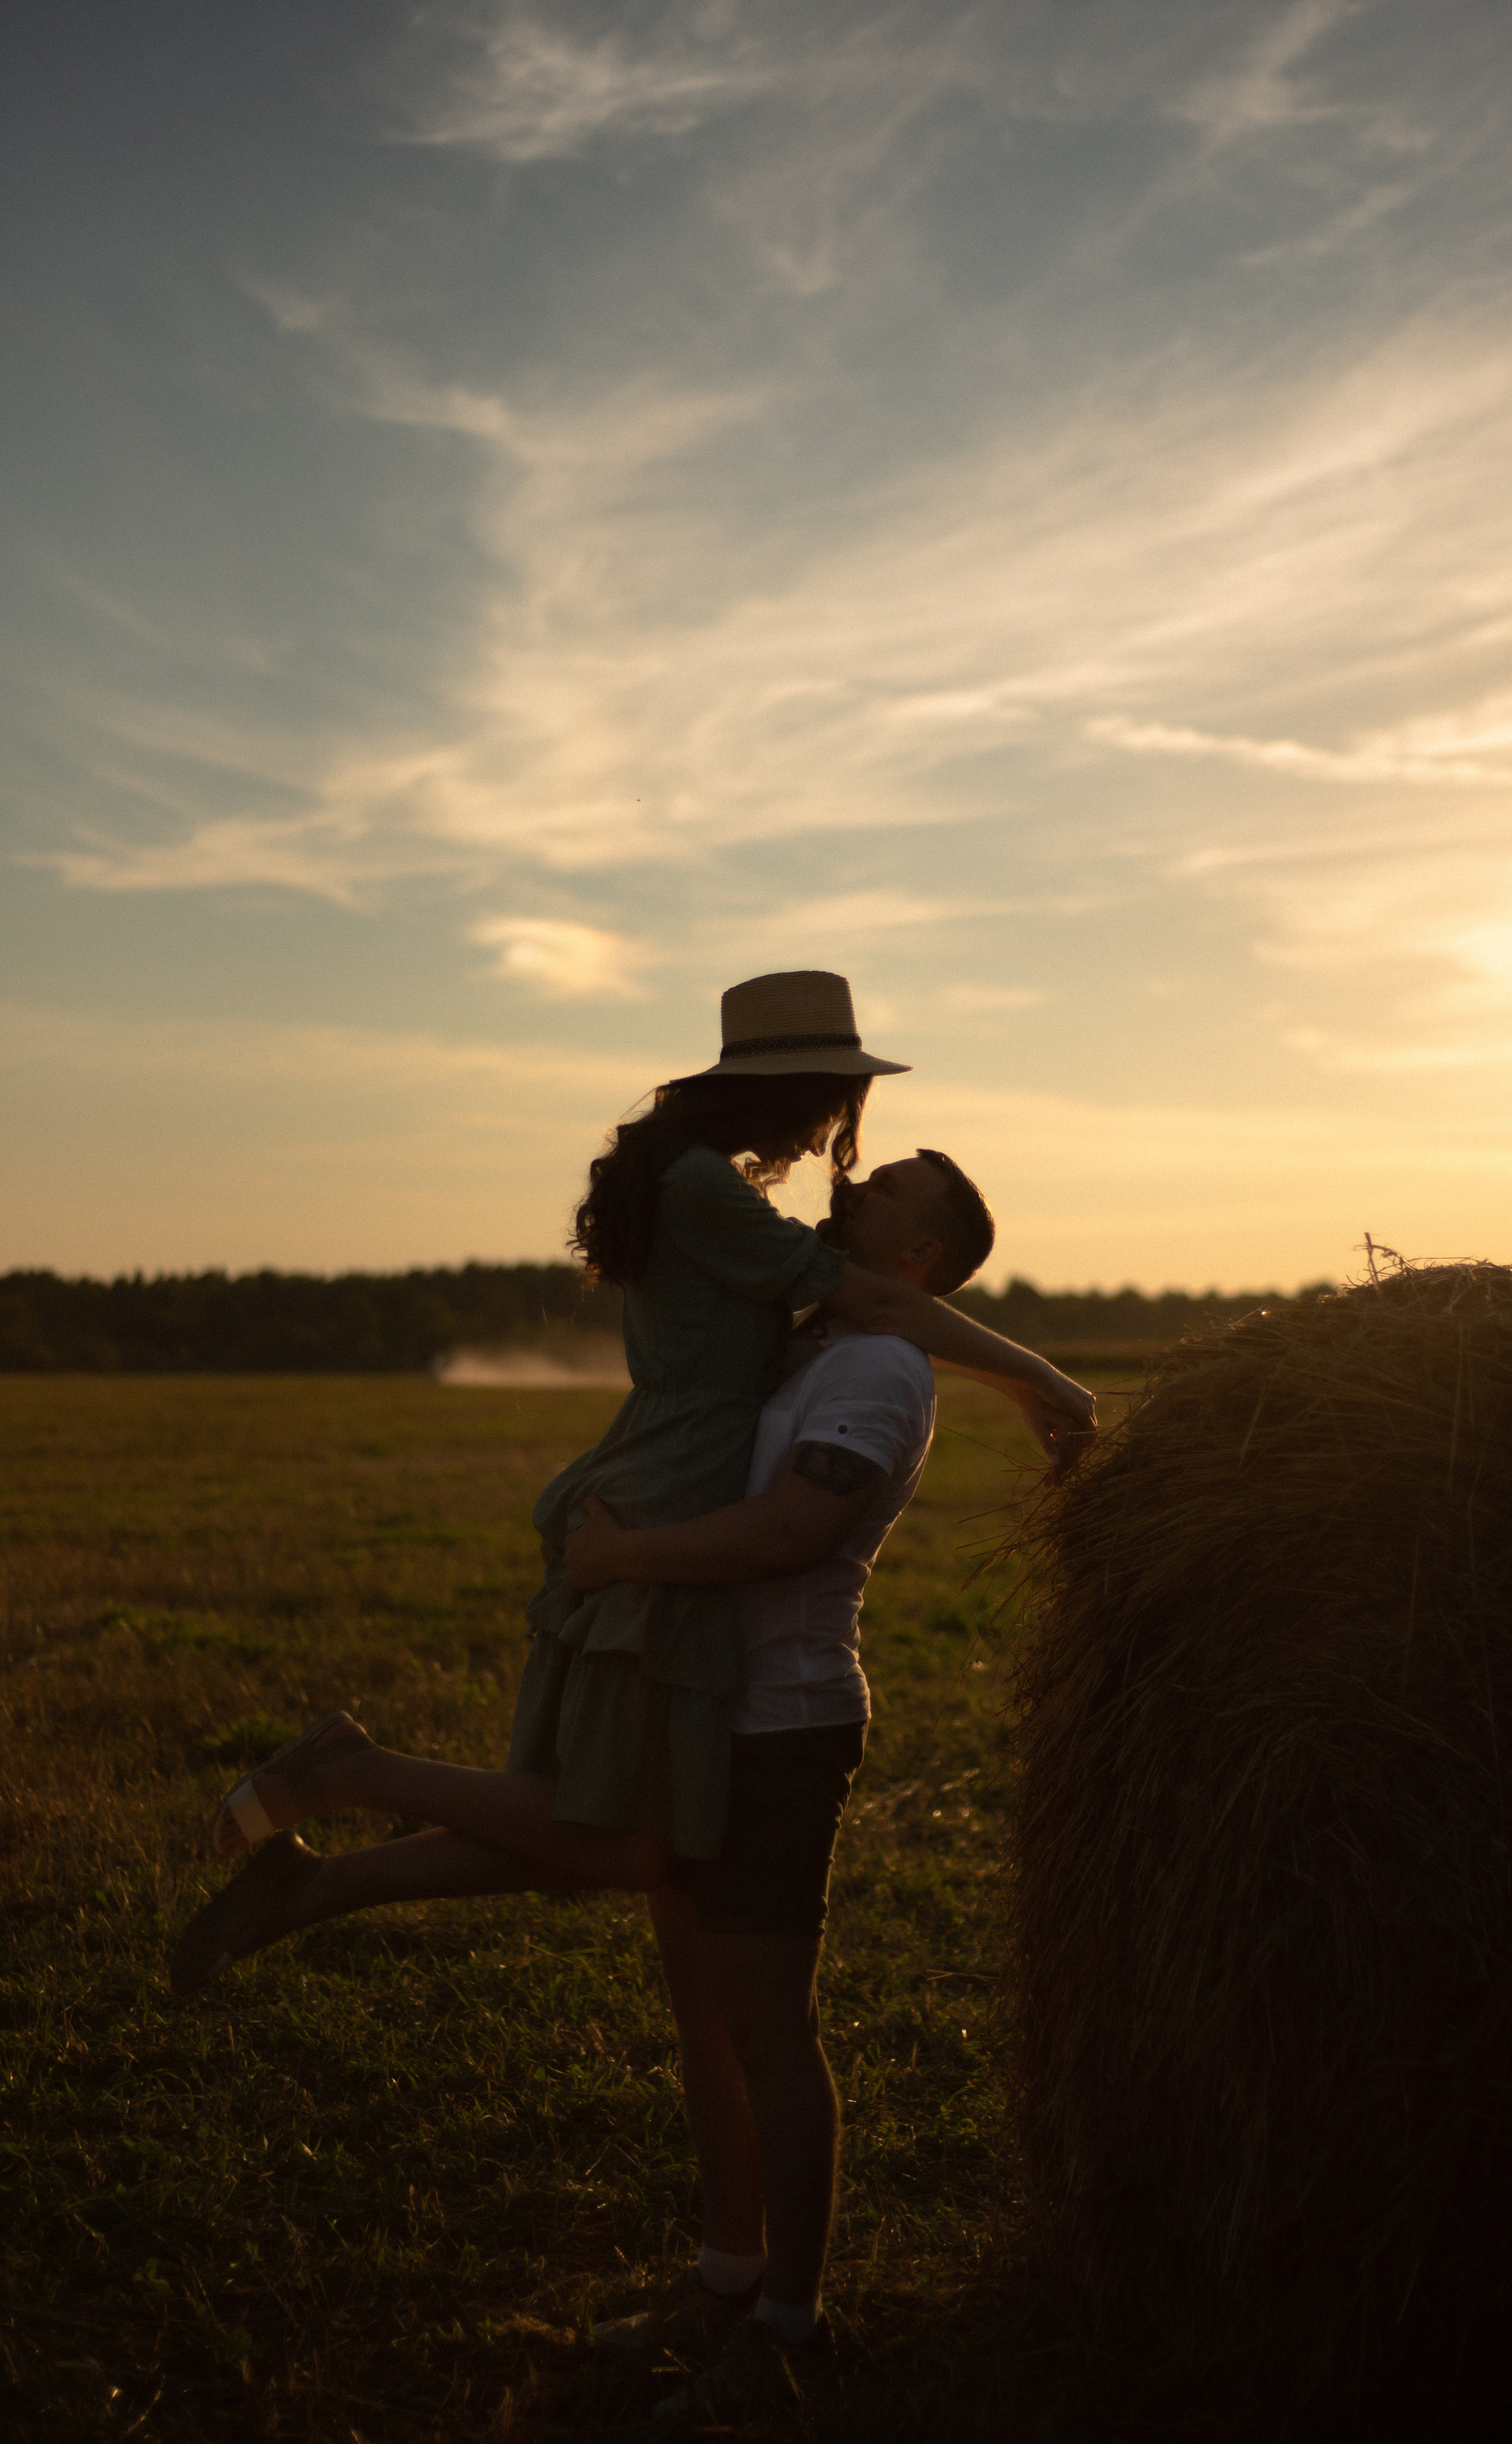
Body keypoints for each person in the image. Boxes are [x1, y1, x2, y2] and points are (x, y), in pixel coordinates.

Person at [170, 971, 1095, 1990]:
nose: (845, 1139)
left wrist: (1020, 1386)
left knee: (618, 1833)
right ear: (804, 1091)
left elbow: (879, 1312)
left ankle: (312, 1879)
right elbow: (878, 1298)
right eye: (839, 1099)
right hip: (670, 1489)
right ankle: (351, 1772)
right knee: (610, 1825)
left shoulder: (710, 1184)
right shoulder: (707, 1188)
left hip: (671, 1477)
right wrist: (1042, 1376)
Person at [562, 1145, 1027, 2431]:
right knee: (707, 2020)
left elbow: (792, 1533)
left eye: (891, 1188)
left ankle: (787, 2329)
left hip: (783, 1726)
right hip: (717, 1715)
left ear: (915, 1253)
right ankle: (724, 2281)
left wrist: (621, 1561)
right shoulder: (818, 1339)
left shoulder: (876, 1369)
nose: (857, 1183)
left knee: (768, 2034)